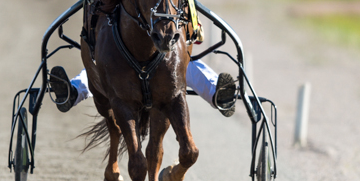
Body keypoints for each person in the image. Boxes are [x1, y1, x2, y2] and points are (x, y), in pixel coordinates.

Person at [48, 61, 237, 116]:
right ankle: (72, 93)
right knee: (102, 67)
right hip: (123, 62)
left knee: (188, 65)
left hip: (169, 62)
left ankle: (218, 95)